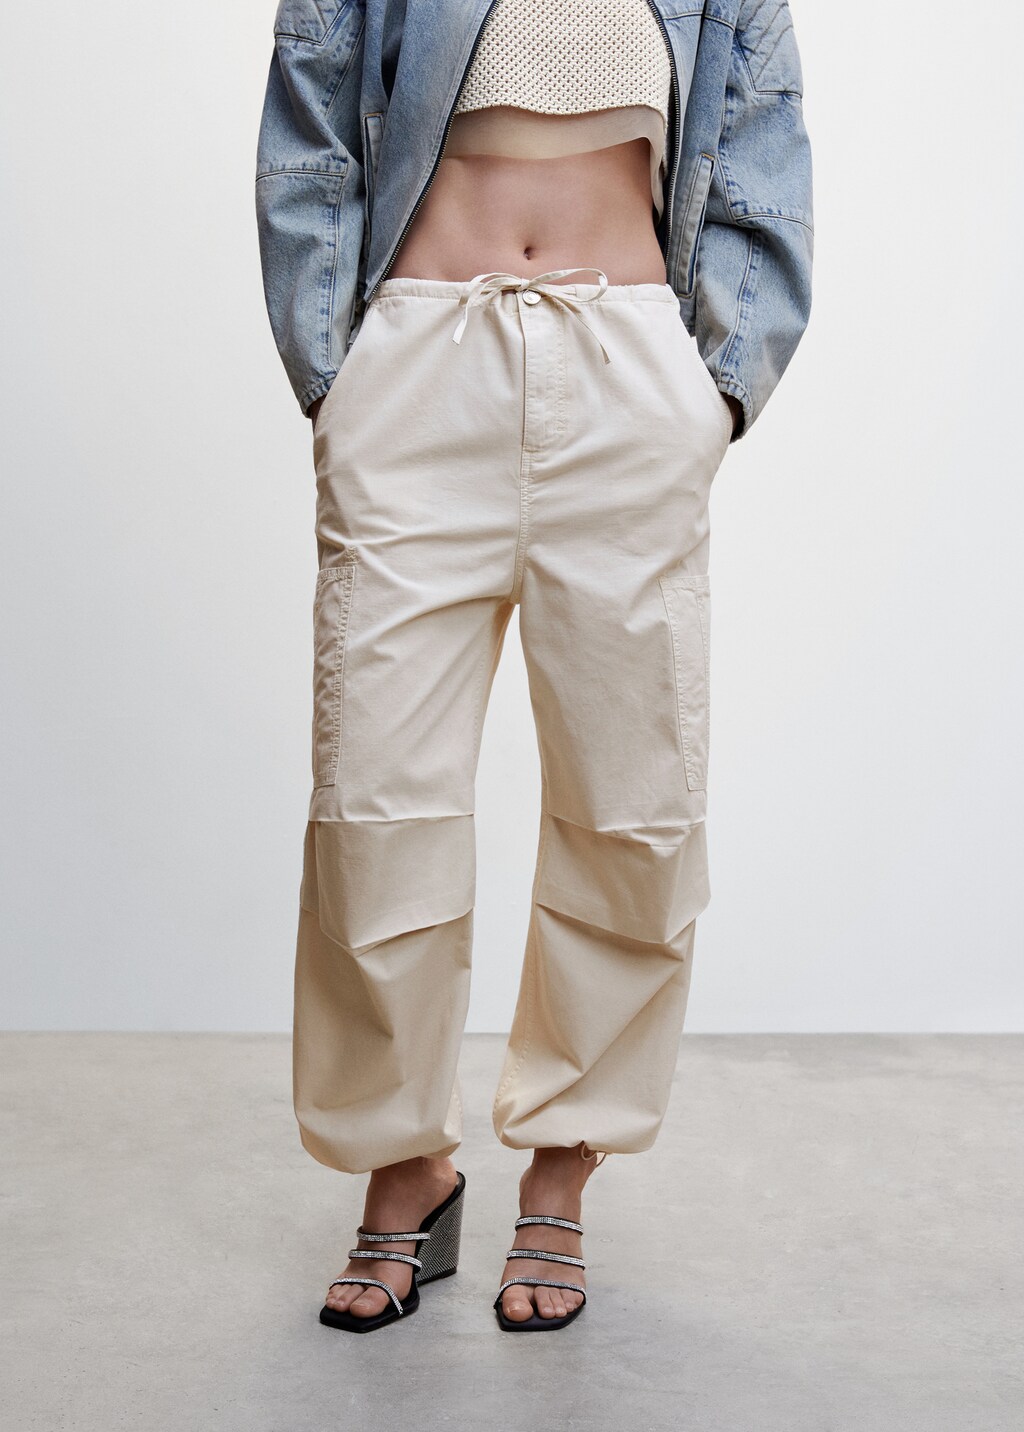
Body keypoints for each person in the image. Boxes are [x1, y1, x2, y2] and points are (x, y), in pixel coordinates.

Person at [254, 0, 813, 1333]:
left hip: (627, 379)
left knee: (633, 801)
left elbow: (761, 150)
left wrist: (714, 391)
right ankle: (406, 1169)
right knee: (375, 801)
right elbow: (309, 123)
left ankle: (564, 1166)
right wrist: (338, 377)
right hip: (421, 373)